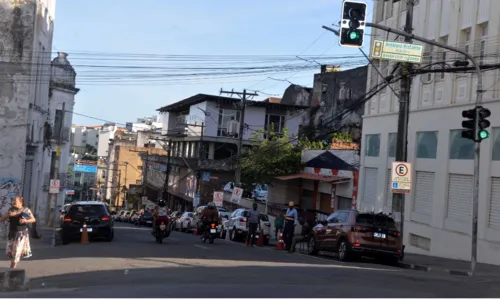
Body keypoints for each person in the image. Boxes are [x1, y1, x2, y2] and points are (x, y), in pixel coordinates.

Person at [0, 196, 35, 269]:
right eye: (13, 201)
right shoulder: (11, 210)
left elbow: (33, 219)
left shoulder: (26, 210)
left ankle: (12, 270)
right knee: (12, 253)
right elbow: (3, 218)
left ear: (20, 202)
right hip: (12, 233)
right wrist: (8, 215)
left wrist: (26, 221)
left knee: (16, 253)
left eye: (15, 201)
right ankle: (12, 269)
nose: (13, 202)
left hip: (21, 234)